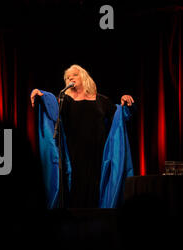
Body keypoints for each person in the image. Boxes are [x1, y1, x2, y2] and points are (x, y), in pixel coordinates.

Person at [30, 64, 135, 208]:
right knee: (75, 193)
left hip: (97, 155)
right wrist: (40, 94)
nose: (70, 78)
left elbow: (120, 118)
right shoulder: (65, 101)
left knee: (96, 191)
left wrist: (125, 104)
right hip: (74, 155)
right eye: (67, 77)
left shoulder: (101, 101)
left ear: (84, 77)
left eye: (74, 74)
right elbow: (50, 105)